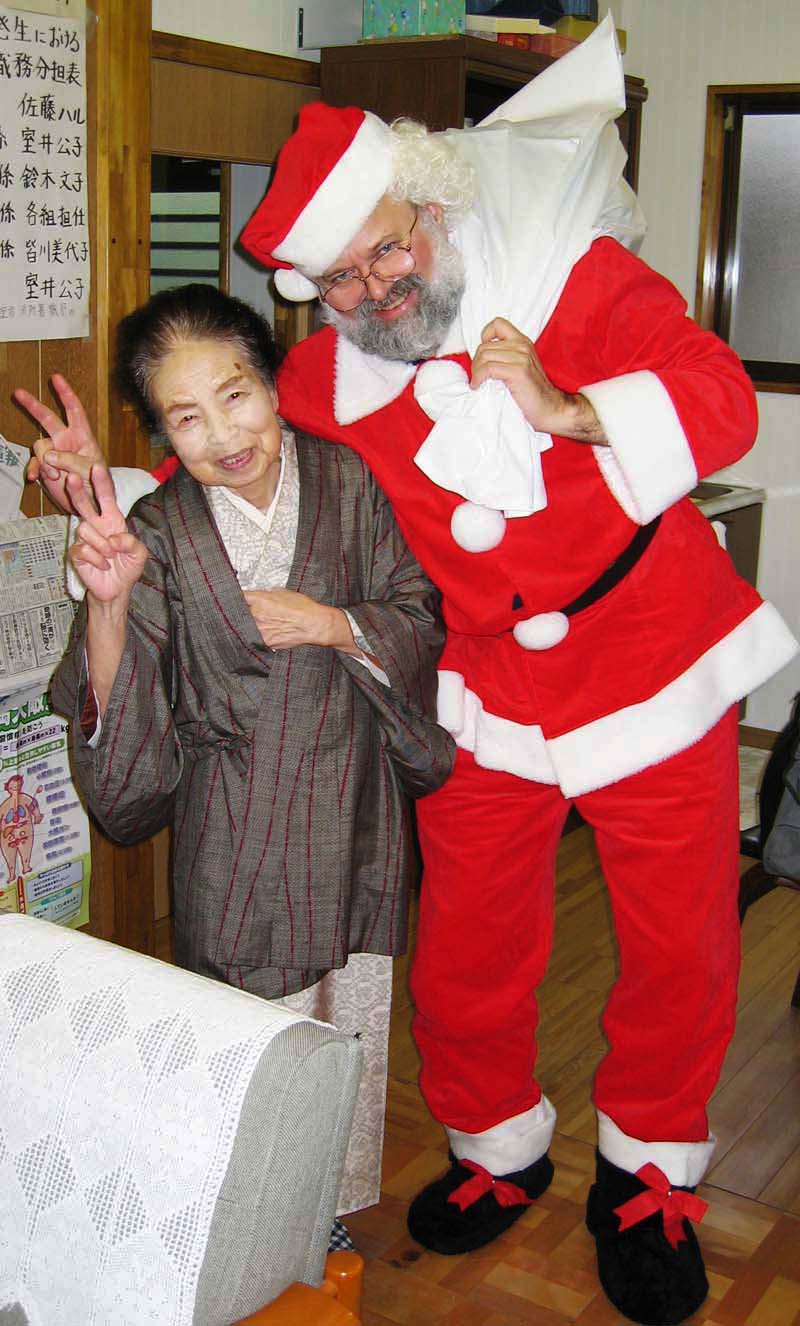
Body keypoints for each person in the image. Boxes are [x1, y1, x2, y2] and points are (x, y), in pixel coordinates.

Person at [24, 22, 799, 1325]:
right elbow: (230, 461)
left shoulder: (577, 278)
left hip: (651, 651)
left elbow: (718, 398)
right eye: (338, 275)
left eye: (387, 247)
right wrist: (102, 497)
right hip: (481, 684)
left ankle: (648, 1174)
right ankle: (495, 1143)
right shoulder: (325, 378)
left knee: (681, 941)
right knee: (467, 940)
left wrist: (567, 406)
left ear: (430, 206)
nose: (375, 285)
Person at [38, 283, 454, 1226]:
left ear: (270, 383)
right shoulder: (156, 531)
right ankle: (246, 1228)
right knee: (241, 1041)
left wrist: (333, 622)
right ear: (162, 432)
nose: (223, 434)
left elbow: (418, 610)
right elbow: (121, 699)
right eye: (186, 417)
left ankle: (327, 1210)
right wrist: (107, 604)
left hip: (350, 805)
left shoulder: (346, 481)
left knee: (345, 1026)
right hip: (235, 830)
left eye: (236, 395)